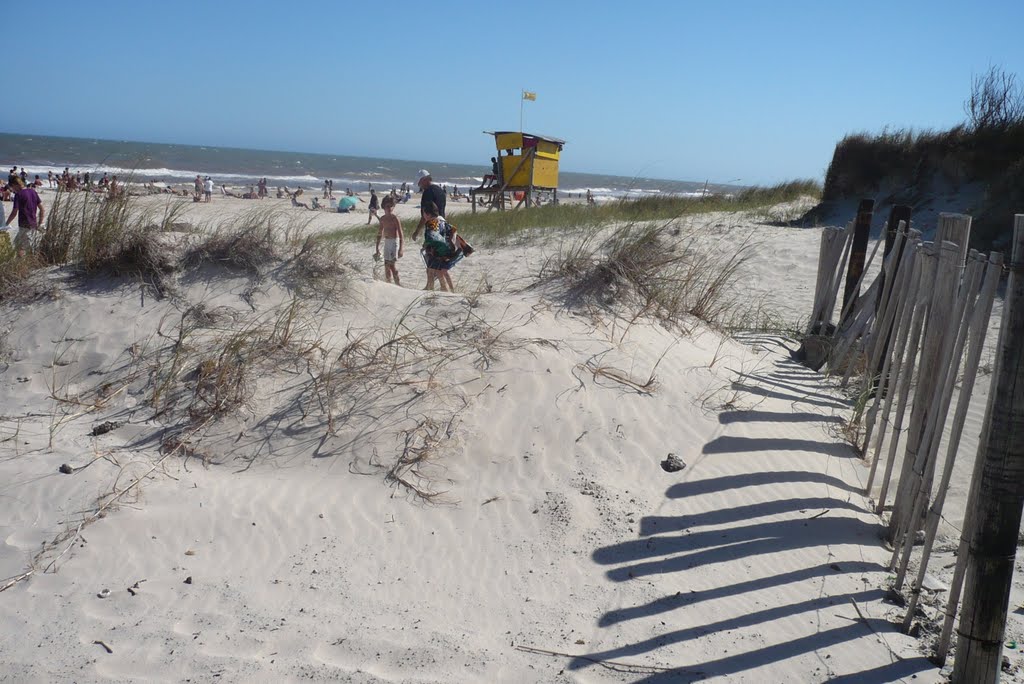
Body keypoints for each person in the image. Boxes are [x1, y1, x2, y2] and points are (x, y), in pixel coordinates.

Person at [419, 200, 463, 292]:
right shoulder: (441, 220)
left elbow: (431, 237)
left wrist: (425, 245)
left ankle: (442, 289)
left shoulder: (431, 223)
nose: (423, 215)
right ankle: (450, 289)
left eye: (423, 213)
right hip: (447, 250)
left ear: (427, 214)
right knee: (439, 270)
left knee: (435, 270)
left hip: (438, 251)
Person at [5, 176, 45, 255]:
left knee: (25, 248)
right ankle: (20, 262)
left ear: (15, 185)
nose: (12, 190)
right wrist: (40, 223)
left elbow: (14, 212)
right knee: (17, 243)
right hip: (33, 223)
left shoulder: (18, 195)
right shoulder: (32, 191)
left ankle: (27, 264)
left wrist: (6, 224)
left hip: (24, 224)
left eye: (12, 187)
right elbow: (42, 209)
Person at [374, 195, 404, 285]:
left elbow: (401, 233)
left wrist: (401, 248)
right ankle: (389, 283)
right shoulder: (382, 219)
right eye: (387, 206)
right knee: (386, 264)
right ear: (383, 207)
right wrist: (377, 247)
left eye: (391, 206)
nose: (390, 208)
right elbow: (380, 233)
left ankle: (397, 283)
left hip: (394, 241)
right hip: (387, 242)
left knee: (392, 264)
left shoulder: (395, 218)